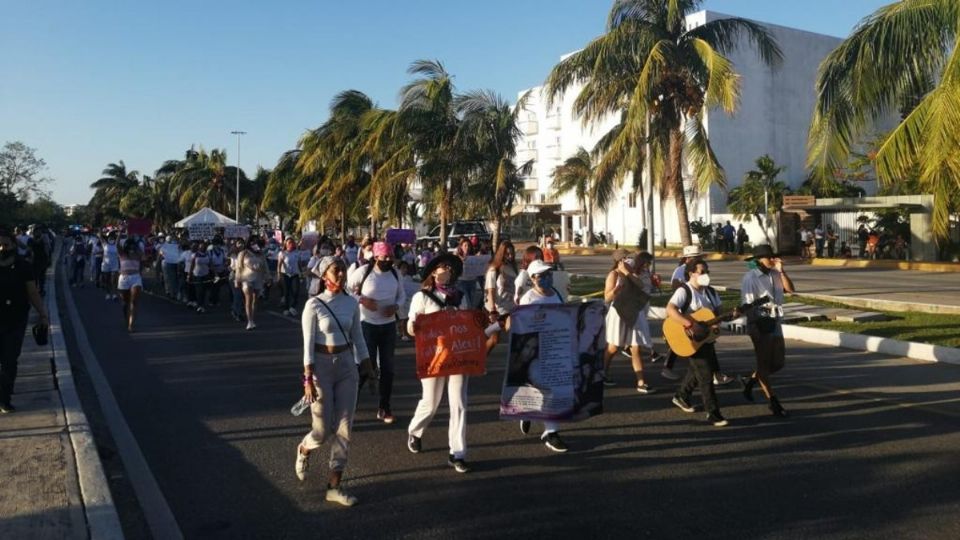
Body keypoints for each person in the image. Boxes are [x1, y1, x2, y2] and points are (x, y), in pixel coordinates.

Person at [295, 256, 368, 506]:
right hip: (321, 369)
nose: (341, 275)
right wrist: (307, 380)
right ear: (324, 273)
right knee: (322, 430)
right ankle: (305, 448)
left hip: (347, 366)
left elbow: (358, 337)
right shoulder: (313, 305)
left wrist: (369, 365)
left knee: (345, 428)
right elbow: (307, 346)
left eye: (343, 270)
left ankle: (334, 485)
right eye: (336, 270)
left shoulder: (351, 303)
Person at [405, 253, 472, 473]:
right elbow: (411, 325)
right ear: (433, 272)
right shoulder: (422, 297)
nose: (448, 271)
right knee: (431, 402)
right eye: (443, 267)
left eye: (451, 268)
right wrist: (413, 327)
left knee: (459, 404)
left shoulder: (461, 296)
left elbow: (469, 323)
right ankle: (415, 431)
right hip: (432, 356)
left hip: (457, 355)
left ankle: (458, 452)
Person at [667, 259, 731, 427]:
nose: (706, 275)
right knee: (705, 375)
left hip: (706, 338)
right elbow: (670, 309)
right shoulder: (684, 290)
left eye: (707, 271)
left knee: (698, 370)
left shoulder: (710, 292)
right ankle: (713, 412)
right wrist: (689, 324)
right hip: (690, 338)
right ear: (691, 273)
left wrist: (722, 318)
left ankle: (682, 395)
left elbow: (719, 311)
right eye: (702, 272)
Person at [347, 241, 406, 424]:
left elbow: (402, 295)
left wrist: (396, 307)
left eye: (390, 256)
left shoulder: (395, 273)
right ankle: (349, 405)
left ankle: (384, 407)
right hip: (367, 325)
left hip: (388, 326)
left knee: (388, 369)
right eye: (384, 256)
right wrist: (362, 300)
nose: (388, 259)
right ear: (375, 256)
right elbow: (347, 290)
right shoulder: (364, 272)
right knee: (366, 366)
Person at [515, 260, 568, 452]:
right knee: (545, 390)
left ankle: (547, 427)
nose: (546, 278)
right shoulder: (528, 299)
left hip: (555, 349)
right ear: (532, 279)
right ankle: (548, 429)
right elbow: (521, 327)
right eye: (541, 276)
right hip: (535, 352)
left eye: (548, 274)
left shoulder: (557, 294)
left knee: (553, 390)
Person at [740, 244, 795, 418]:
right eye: (769, 257)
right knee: (764, 363)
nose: (773, 259)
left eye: (773, 257)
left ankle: (751, 380)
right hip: (760, 322)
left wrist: (782, 271)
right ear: (758, 260)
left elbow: (791, 290)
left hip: (775, 320)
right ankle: (773, 401)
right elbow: (747, 305)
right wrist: (753, 327)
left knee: (778, 362)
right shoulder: (750, 278)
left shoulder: (775, 273)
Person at [1, 226, 50, 413]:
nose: (2, 249)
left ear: (14, 244)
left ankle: (5, 398)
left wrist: (43, 314)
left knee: (9, 360)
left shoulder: (23, 266)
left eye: (5, 245)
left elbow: (32, 292)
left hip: (16, 320)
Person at [602, 249, 653, 393]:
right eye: (626, 258)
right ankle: (603, 372)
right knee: (613, 347)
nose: (630, 260)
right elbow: (607, 297)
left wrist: (628, 274)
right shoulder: (613, 274)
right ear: (619, 261)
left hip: (634, 311)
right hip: (618, 312)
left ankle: (641, 381)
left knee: (635, 346)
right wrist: (616, 289)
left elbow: (641, 286)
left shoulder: (633, 274)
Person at [235, 236, 268, 330]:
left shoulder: (260, 254)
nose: (254, 244)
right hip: (246, 278)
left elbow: (265, 266)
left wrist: (268, 277)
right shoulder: (243, 253)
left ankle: (252, 319)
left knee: (255, 300)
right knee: (248, 299)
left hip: (258, 278)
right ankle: (249, 321)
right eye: (252, 242)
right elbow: (239, 267)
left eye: (256, 243)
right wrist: (237, 280)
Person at [117, 238, 144, 332]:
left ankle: (131, 325)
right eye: (130, 245)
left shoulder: (138, 254)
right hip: (124, 279)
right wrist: (119, 234)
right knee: (125, 303)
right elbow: (117, 245)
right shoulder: (122, 254)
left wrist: (137, 241)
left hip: (135, 278)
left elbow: (143, 255)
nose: (131, 247)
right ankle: (126, 319)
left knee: (134, 302)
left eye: (133, 246)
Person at [279, 237, 303, 317]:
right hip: (285, 274)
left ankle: (292, 306)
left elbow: (299, 264)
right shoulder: (282, 253)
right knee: (286, 292)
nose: (291, 244)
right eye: (289, 243)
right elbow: (279, 265)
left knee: (296, 291)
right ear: (286, 244)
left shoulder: (297, 253)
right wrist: (278, 275)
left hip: (295, 274)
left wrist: (301, 273)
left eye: (292, 243)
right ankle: (286, 308)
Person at [188, 240, 212, 313]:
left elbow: (210, 264)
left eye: (204, 246)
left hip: (206, 274)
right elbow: (192, 265)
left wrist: (215, 274)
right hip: (197, 275)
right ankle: (200, 305)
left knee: (204, 291)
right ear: (198, 247)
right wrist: (189, 275)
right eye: (201, 246)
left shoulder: (208, 254)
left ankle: (202, 303)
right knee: (199, 290)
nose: (202, 247)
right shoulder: (195, 255)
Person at [158, 235, 181, 300]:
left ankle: (172, 292)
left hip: (172, 263)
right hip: (167, 263)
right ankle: (170, 291)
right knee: (169, 278)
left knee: (172, 278)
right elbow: (161, 254)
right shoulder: (165, 246)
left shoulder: (174, 245)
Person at [100, 231, 121, 300]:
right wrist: (100, 228)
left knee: (114, 280)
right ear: (107, 239)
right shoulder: (105, 244)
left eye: (112, 238)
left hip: (114, 264)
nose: (111, 239)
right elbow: (100, 237)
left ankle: (114, 294)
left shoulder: (116, 245)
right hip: (106, 265)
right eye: (110, 238)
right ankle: (108, 293)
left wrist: (120, 231)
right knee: (107, 280)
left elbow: (119, 237)